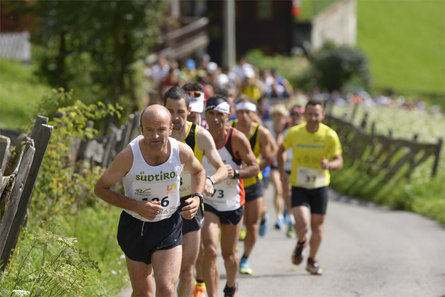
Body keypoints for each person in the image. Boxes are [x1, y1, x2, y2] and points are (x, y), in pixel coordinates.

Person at [94, 105, 206, 297]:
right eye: (150, 130)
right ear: (141, 129)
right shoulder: (129, 156)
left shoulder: (180, 151)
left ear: (170, 128)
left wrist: (197, 197)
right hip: (135, 227)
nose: (156, 136)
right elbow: (100, 189)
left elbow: (199, 171)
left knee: (166, 289)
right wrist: (136, 206)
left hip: (168, 225)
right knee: (143, 294)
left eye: (161, 129)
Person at [163, 87, 228, 297]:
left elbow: (222, 168)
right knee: (164, 273)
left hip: (189, 205)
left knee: (186, 269)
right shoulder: (154, 135)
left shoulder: (200, 135)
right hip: (161, 205)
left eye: (180, 111)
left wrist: (209, 180)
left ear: (189, 110)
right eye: (170, 111)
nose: (175, 117)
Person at [201, 96, 259, 297]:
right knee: (209, 250)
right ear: (205, 114)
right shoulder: (200, 136)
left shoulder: (236, 138)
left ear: (227, 116)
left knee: (228, 254)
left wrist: (235, 173)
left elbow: (254, 167)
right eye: (211, 114)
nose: (215, 119)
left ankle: (231, 285)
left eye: (220, 115)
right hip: (209, 202)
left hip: (232, 202)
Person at [277, 100, 343, 276]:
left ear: (322, 116)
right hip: (299, 184)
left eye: (317, 115)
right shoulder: (295, 133)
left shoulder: (329, 135)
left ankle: (312, 260)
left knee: (317, 227)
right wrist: (283, 172)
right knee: (302, 222)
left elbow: (339, 161)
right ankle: (301, 242)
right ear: (304, 115)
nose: (313, 118)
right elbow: (280, 150)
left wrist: (329, 165)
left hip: (320, 186)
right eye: (310, 114)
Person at [230, 97, 274, 275]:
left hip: (252, 182)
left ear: (254, 114)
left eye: (248, 112)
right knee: (234, 224)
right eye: (240, 112)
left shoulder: (261, 132)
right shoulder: (229, 127)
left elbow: (268, 157)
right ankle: (231, 254)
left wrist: (253, 170)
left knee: (252, 224)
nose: (244, 116)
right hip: (231, 182)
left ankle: (245, 258)